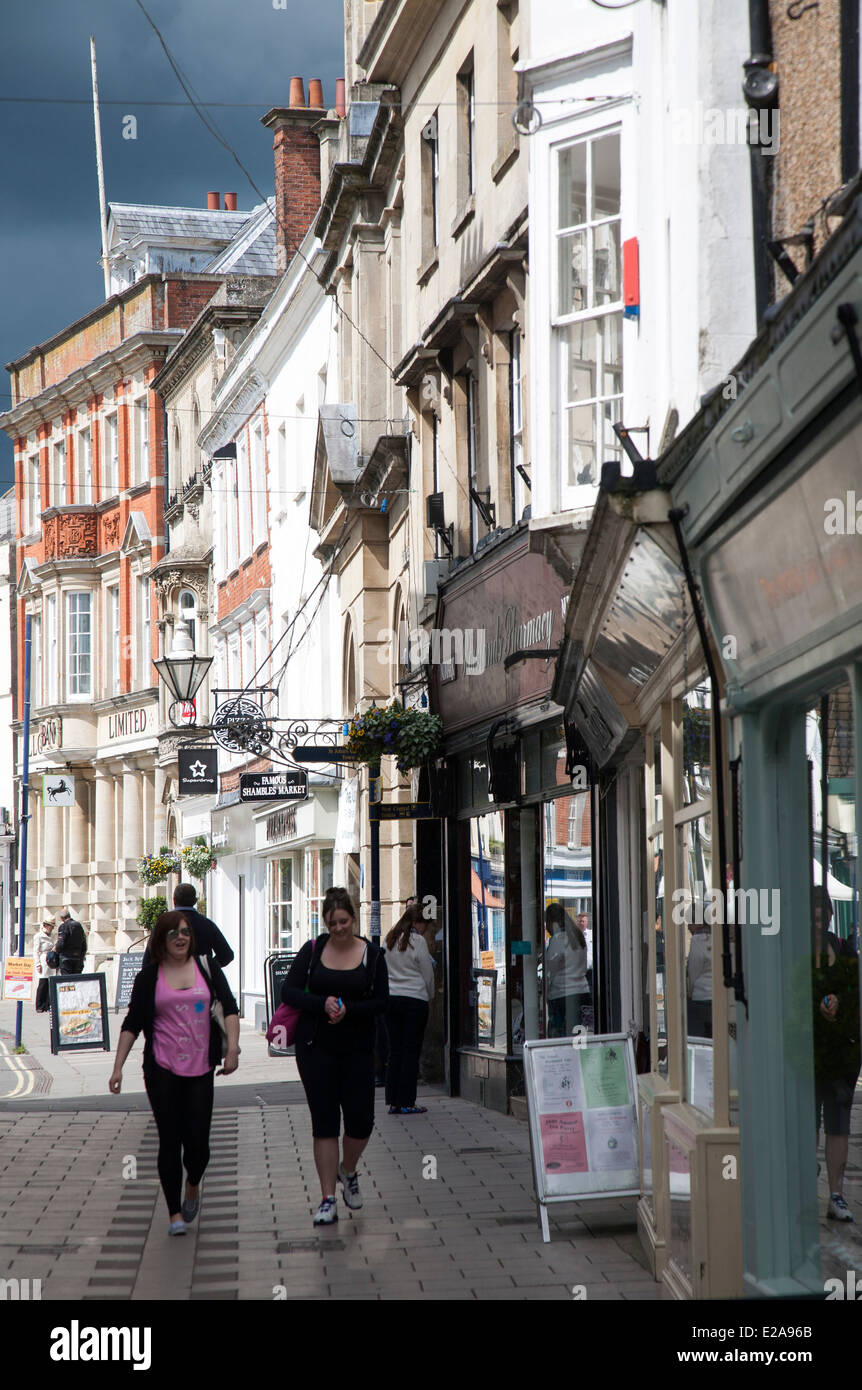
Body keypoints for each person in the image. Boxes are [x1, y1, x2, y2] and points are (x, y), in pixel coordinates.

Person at [109, 910, 240, 1236]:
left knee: (198, 1145)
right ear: (161, 940)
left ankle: (192, 1183)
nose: (181, 938)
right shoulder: (149, 978)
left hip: (200, 1068)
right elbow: (132, 1024)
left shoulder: (206, 969)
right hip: (161, 1069)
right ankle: (174, 1214)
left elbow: (231, 1007)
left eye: (185, 932)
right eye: (173, 933)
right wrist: (117, 1068)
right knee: (169, 1140)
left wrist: (233, 1049)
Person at [281, 887, 388, 1225]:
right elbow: (289, 991)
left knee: (361, 1122)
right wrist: (322, 1002)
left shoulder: (373, 955)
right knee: (324, 1123)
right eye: (332, 923)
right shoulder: (312, 951)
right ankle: (328, 1198)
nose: (339, 928)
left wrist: (350, 1010)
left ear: (353, 919)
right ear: (325, 923)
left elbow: (382, 1003)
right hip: (316, 1049)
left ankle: (349, 1170)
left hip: (357, 1050)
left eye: (343, 921)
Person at [812, 887, 860, 1222]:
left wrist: (839, 1004)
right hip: (807, 1054)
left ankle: (837, 1194)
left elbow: (855, 993)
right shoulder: (795, 953)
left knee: (839, 1126)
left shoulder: (845, 950)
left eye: (822, 916)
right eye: (812, 918)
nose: (818, 923)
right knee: (807, 1122)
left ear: (830, 916)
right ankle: (805, 1180)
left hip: (840, 1056)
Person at [383, 903, 435, 1115]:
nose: (425, 929)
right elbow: (427, 973)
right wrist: (429, 995)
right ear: (416, 922)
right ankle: (407, 1102)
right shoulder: (418, 941)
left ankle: (394, 1101)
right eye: (424, 924)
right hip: (414, 1001)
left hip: (392, 1001)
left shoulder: (390, 939)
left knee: (395, 1052)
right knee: (411, 1052)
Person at [142, 883, 234, 967]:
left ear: (174, 901)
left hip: (170, 980)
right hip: (200, 982)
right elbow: (226, 955)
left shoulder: (162, 925)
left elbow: (148, 959)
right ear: (195, 901)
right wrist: (207, 968)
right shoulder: (207, 924)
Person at [545, 903, 591, 1038]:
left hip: (562, 996)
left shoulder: (558, 939)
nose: (547, 927)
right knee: (580, 1040)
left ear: (554, 922)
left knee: (561, 1042)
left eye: (547, 922)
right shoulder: (578, 936)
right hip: (583, 992)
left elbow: (551, 968)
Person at [686, 918, 713, 1038]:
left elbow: (693, 972)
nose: (688, 927)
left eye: (690, 923)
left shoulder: (697, 940)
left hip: (701, 998)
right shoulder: (717, 936)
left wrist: (690, 994)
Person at [33, 918, 56, 1013]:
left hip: (50, 959)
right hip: (43, 960)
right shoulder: (39, 936)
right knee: (42, 983)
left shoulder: (52, 936)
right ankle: (39, 1005)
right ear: (46, 925)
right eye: (51, 926)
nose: (52, 929)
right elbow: (36, 951)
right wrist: (37, 963)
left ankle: (47, 1004)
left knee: (49, 982)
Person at [56, 908, 87, 975]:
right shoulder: (78, 925)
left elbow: (60, 944)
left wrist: (55, 951)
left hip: (66, 959)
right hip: (78, 958)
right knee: (77, 981)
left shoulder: (63, 926)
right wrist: (81, 956)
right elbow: (84, 943)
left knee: (67, 981)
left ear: (61, 918)